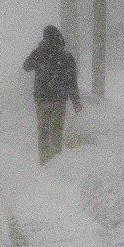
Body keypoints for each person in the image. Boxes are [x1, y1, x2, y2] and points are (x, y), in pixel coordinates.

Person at [23, 25, 83, 164]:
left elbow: (26, 66)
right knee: (56, 133)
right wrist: (76, 102)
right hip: (59, 100)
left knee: (43, 133)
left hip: (42, 100)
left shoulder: (40, 53)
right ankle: (56, 163)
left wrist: (38, 50)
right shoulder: (67, 57)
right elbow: (72, 82)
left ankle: (44, 162)